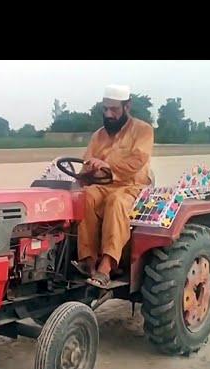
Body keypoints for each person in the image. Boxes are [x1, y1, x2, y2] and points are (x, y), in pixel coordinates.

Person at [74, 84, 154, 288]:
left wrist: (107, 165)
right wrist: (88, 171)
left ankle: (106, 266)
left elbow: (137, 160)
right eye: (105, 109)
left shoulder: (143, 130)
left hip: (132, 187)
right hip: (103, 186)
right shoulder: (98, 135)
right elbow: (87, 162)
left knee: (116, 202)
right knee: (85, 197)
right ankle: (88, 263)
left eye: (114, 110)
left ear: (127, 107)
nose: (108, 114)